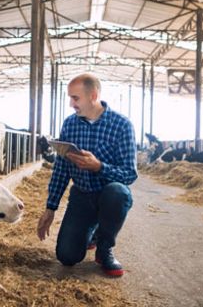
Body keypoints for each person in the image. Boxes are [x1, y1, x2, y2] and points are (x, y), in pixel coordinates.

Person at [36, 73, 138, 277]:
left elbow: (129, 174)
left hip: (107, 195)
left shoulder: (122, 126)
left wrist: (99, 166)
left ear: (93, 95)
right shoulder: (70, 125)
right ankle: (90, 231)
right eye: (70, 98)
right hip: (81, 196)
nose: (71, 104)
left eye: (75, 98)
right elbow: (62, 168)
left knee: (118, 192)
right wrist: (50, 207)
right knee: (67, 256)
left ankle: (104, 247)